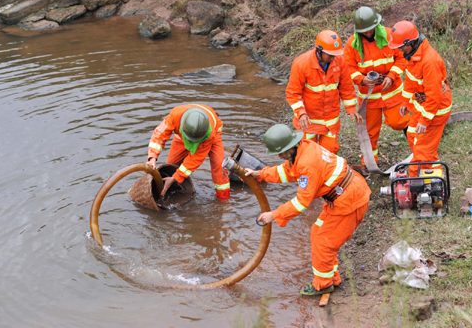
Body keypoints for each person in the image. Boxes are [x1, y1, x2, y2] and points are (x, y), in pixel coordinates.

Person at [246, 124, 370, 296]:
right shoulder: (304, 148)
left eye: (280, 153)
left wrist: (273, 215)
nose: (280, 157)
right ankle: (331, 276)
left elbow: (301, 203)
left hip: (348, 202)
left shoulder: (307, 164)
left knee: (323, 242)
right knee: (317, 232)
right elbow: (287, 172)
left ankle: (324, 284)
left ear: (290, 148)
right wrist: (260, 174)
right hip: (343, 195)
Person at [344, 7, 410, 168]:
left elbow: (402, 58)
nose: (367, 34)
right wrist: (361, 79)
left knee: (400, 122)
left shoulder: (389, 36)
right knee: (369, 132)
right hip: (369, 97)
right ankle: (369, 164)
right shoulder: (352, 44)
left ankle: (420, 147)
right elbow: (348, 69)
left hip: (391, 92)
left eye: (370, 29)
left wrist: (391, 76)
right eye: (363, 31)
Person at [388, 21, 452, 176]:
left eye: (401, 47)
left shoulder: (429, 61)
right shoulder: (412, 56)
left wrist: (425, 120)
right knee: (412, 135)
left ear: (410, 43)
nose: (400, 50)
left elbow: (435, 96)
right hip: (421, 106)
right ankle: (427, 169)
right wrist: (405, 101)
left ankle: (424, 181)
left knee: (423, 150)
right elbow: (410, 80)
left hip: (435, 111)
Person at [285, 30, 363, 154]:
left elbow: (346, 87)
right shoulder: (301, 64)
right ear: (319, 50)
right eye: (330, 55)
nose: (333, 57)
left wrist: (351, 109)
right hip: (309, 121)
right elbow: (293, 93)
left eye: (335, 54)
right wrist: (301, 113)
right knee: (308, 153)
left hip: (330, 121)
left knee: (330, 152)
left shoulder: (339, 61)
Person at [147, 104, 230, 198]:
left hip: (210, 139)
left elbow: (195, 159)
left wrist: (176, 177)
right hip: (182, 137)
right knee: (170, 166)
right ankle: (166, 192)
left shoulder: (209, 134)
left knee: (218, 168)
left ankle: (223, 199)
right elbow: (159, 134)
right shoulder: (175, 116)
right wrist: (152, 158)